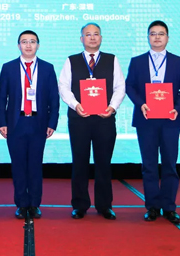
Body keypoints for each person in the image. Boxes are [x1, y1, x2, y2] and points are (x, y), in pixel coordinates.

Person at [58, 23, 126, 220]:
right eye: (88, 35)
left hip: (104, 120)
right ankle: (79, 205)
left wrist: (112, 107)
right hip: (79, 119)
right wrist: (76, 105)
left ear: (101, 38)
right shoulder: (71, 60)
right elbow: (63, 86)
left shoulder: (112, 59)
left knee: (103, 163)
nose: (92, 37)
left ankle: (105, 205)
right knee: (80, 162)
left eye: (96, 34)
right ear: (81, 39)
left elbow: (120, 86)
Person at [125, 20, 180, 223]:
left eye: (161, 34)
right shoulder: (137, 61)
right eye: (153, 34)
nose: (157, 37)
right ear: (148, 37)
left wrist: (177, 108)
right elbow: (129, 86)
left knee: (170, 164)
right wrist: (141, 104)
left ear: (167, 38)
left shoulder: (178, 61)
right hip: (146, 119)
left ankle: (169, 207)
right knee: (149, 165)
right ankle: (152, 206)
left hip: (170, 119)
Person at [0, 30, 60, 219]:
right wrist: (2, 122)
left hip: (38, 123)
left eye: (32, 41)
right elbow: (1, 98)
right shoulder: (8, 68)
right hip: (15, 123)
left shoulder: (47, 68)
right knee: (18, 166)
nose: (28, 45)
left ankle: (34, 204)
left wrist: (52, 122)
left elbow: (54, 99)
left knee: (35, 165)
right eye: (24, 41)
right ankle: (21, 204)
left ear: (38, 45)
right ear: (18, 46)